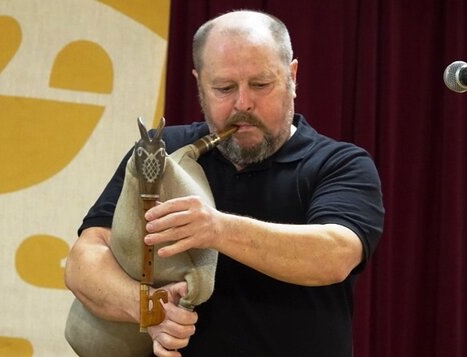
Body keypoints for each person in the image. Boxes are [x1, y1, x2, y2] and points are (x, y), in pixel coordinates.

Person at [65, 9, 384, 357]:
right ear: (199, 82)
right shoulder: (164, 150)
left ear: (292, 76)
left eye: (261, 84)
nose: (242, 104)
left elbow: (335, 255)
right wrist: (148, 308)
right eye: (224, 88)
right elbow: (85, 259)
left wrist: (215, 229)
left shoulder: (340, 164)